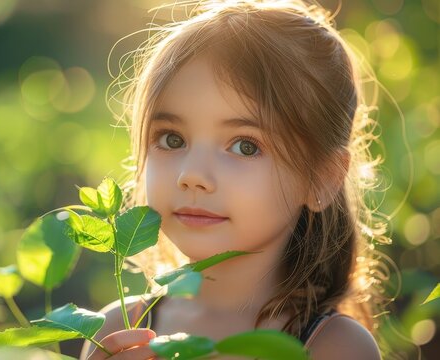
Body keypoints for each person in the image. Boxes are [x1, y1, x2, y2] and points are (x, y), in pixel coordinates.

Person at [80, 0, 391, 359]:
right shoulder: (117, 330)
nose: (191, 175)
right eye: (171, 139)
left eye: (245, 146)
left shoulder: (332, 347)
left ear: (322, 178)